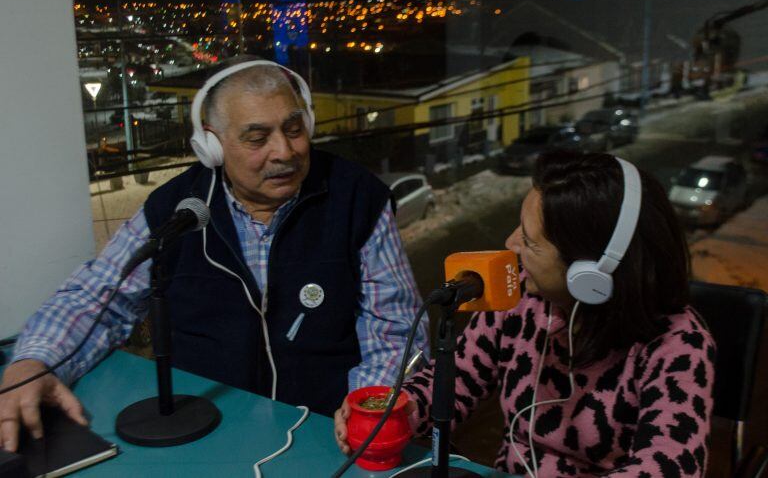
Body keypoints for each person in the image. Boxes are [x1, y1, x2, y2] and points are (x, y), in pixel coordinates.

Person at [0, 58, 428, 452]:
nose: (284, 151)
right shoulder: (177, 209)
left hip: (324, 431)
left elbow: (395, 326)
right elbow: (96, 297)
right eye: (257, 138)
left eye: (295, 129)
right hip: (205, 431)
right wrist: (34, 363)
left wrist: (366, 405)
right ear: (213, 146)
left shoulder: (357, 196)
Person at [335, 150, 715, 477]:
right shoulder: (518, 299)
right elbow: (460, 377)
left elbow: (670, 466)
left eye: (530, 242)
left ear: (591, 271)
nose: (511, 244)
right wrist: (393, 411)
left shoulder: (678, 344)